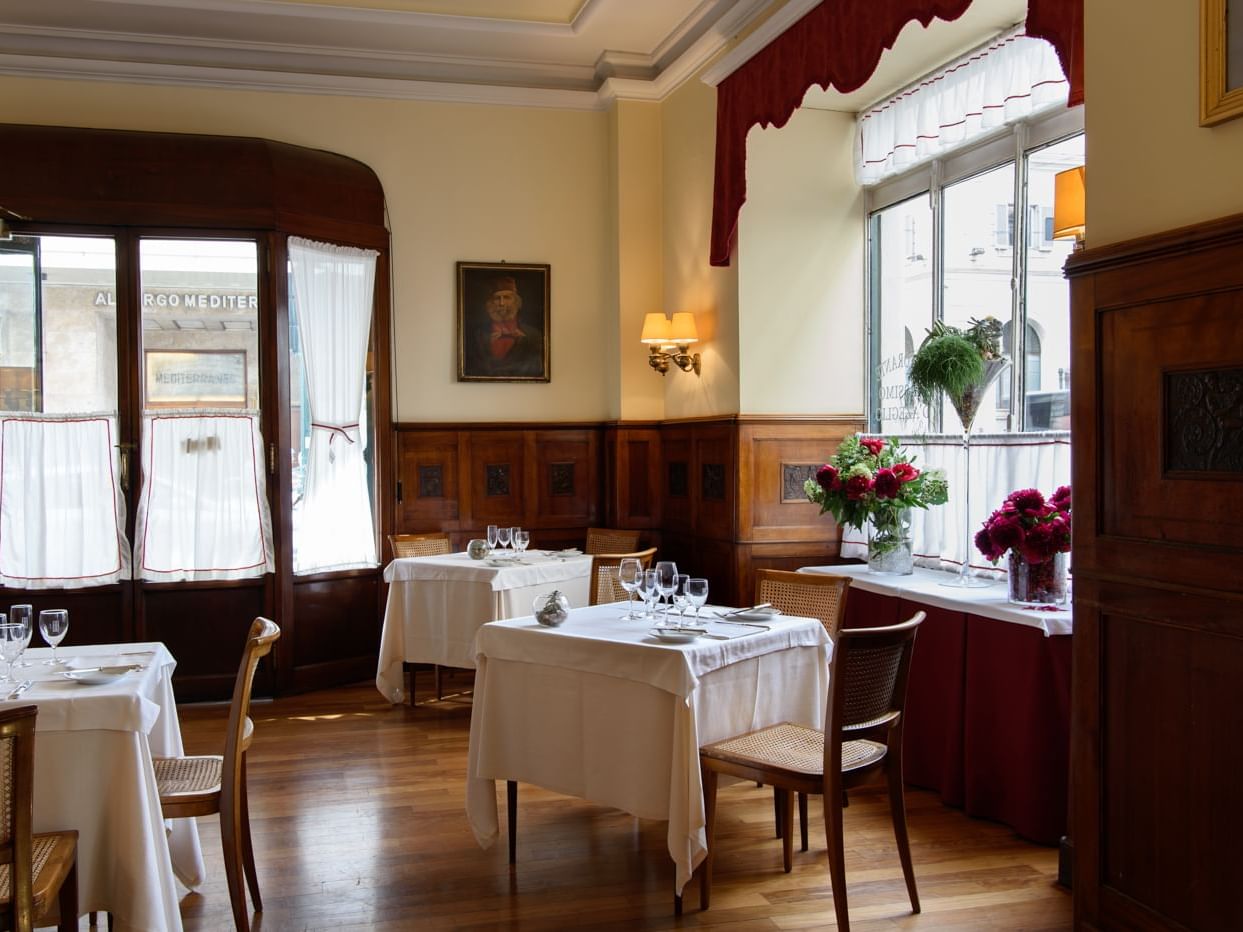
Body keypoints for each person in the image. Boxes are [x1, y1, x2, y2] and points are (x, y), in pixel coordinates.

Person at [463, 274, 545, 379]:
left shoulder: (534, 336)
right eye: (497, 298)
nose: (501, 303)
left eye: (507, 298)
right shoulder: (475, 336)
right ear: (490, 303)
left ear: (517, 302)